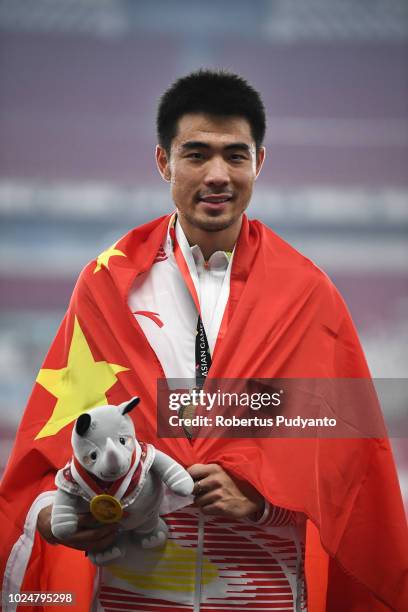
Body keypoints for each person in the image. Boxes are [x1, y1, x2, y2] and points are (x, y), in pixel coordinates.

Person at [0, 70, 407, 612]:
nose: (217, 174)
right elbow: (49, 447)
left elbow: (347, 467)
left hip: (263, 592)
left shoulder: (309, 294)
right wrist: (58, 517)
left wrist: (265, 503)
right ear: (164, 162)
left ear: (259, 163)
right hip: (130, 595)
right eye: (196, 154)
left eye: (235, 156)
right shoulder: (107, 287)